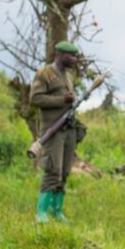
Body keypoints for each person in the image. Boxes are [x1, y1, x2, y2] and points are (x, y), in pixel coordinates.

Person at [29, 41, 83, 223]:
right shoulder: (44, 73)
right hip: (52, 130)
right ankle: (41, 212)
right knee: (53, 169)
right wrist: (62, 99)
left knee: (65, 171)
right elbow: (35, 98)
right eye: (72, 56)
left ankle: (56, 210)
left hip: (68, 129)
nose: (75, 59)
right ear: (61, 55)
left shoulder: (68, 75)